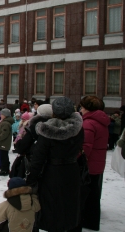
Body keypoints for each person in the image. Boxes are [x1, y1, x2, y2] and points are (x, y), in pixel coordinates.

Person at [26, 97, 84, 231]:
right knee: (70, 204)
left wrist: (30, 180)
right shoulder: (78, 128)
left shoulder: (47, 130)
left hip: (52, 173)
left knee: (52, 207)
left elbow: (38, 158)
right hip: (72, 170)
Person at [73, 96, 109, 231]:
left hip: (89, 164)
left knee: (85, 195)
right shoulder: (101, 121)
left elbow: (85, 146)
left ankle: (86, 220)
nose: (81, 109)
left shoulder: (89, 123)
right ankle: (92, 221)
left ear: (88, 108)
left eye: (82, 107)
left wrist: (75, 157)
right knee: (94, 193)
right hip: (98, 163)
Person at [11, 104, 53, 179]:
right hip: (52, 165)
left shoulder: (35, 126)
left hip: (34, 161)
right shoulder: (56, 126)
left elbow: (22, 146)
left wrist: (19, 141)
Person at [0, 108, 14, 176]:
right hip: (3, 142)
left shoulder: (5, 123)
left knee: (4, 156)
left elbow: (4, 134)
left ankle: (4, 170)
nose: (1, 115)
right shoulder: (4, 122)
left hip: (3, 143)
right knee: (3, 156)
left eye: (2, 114)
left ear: (5, 115)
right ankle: (5, 169)